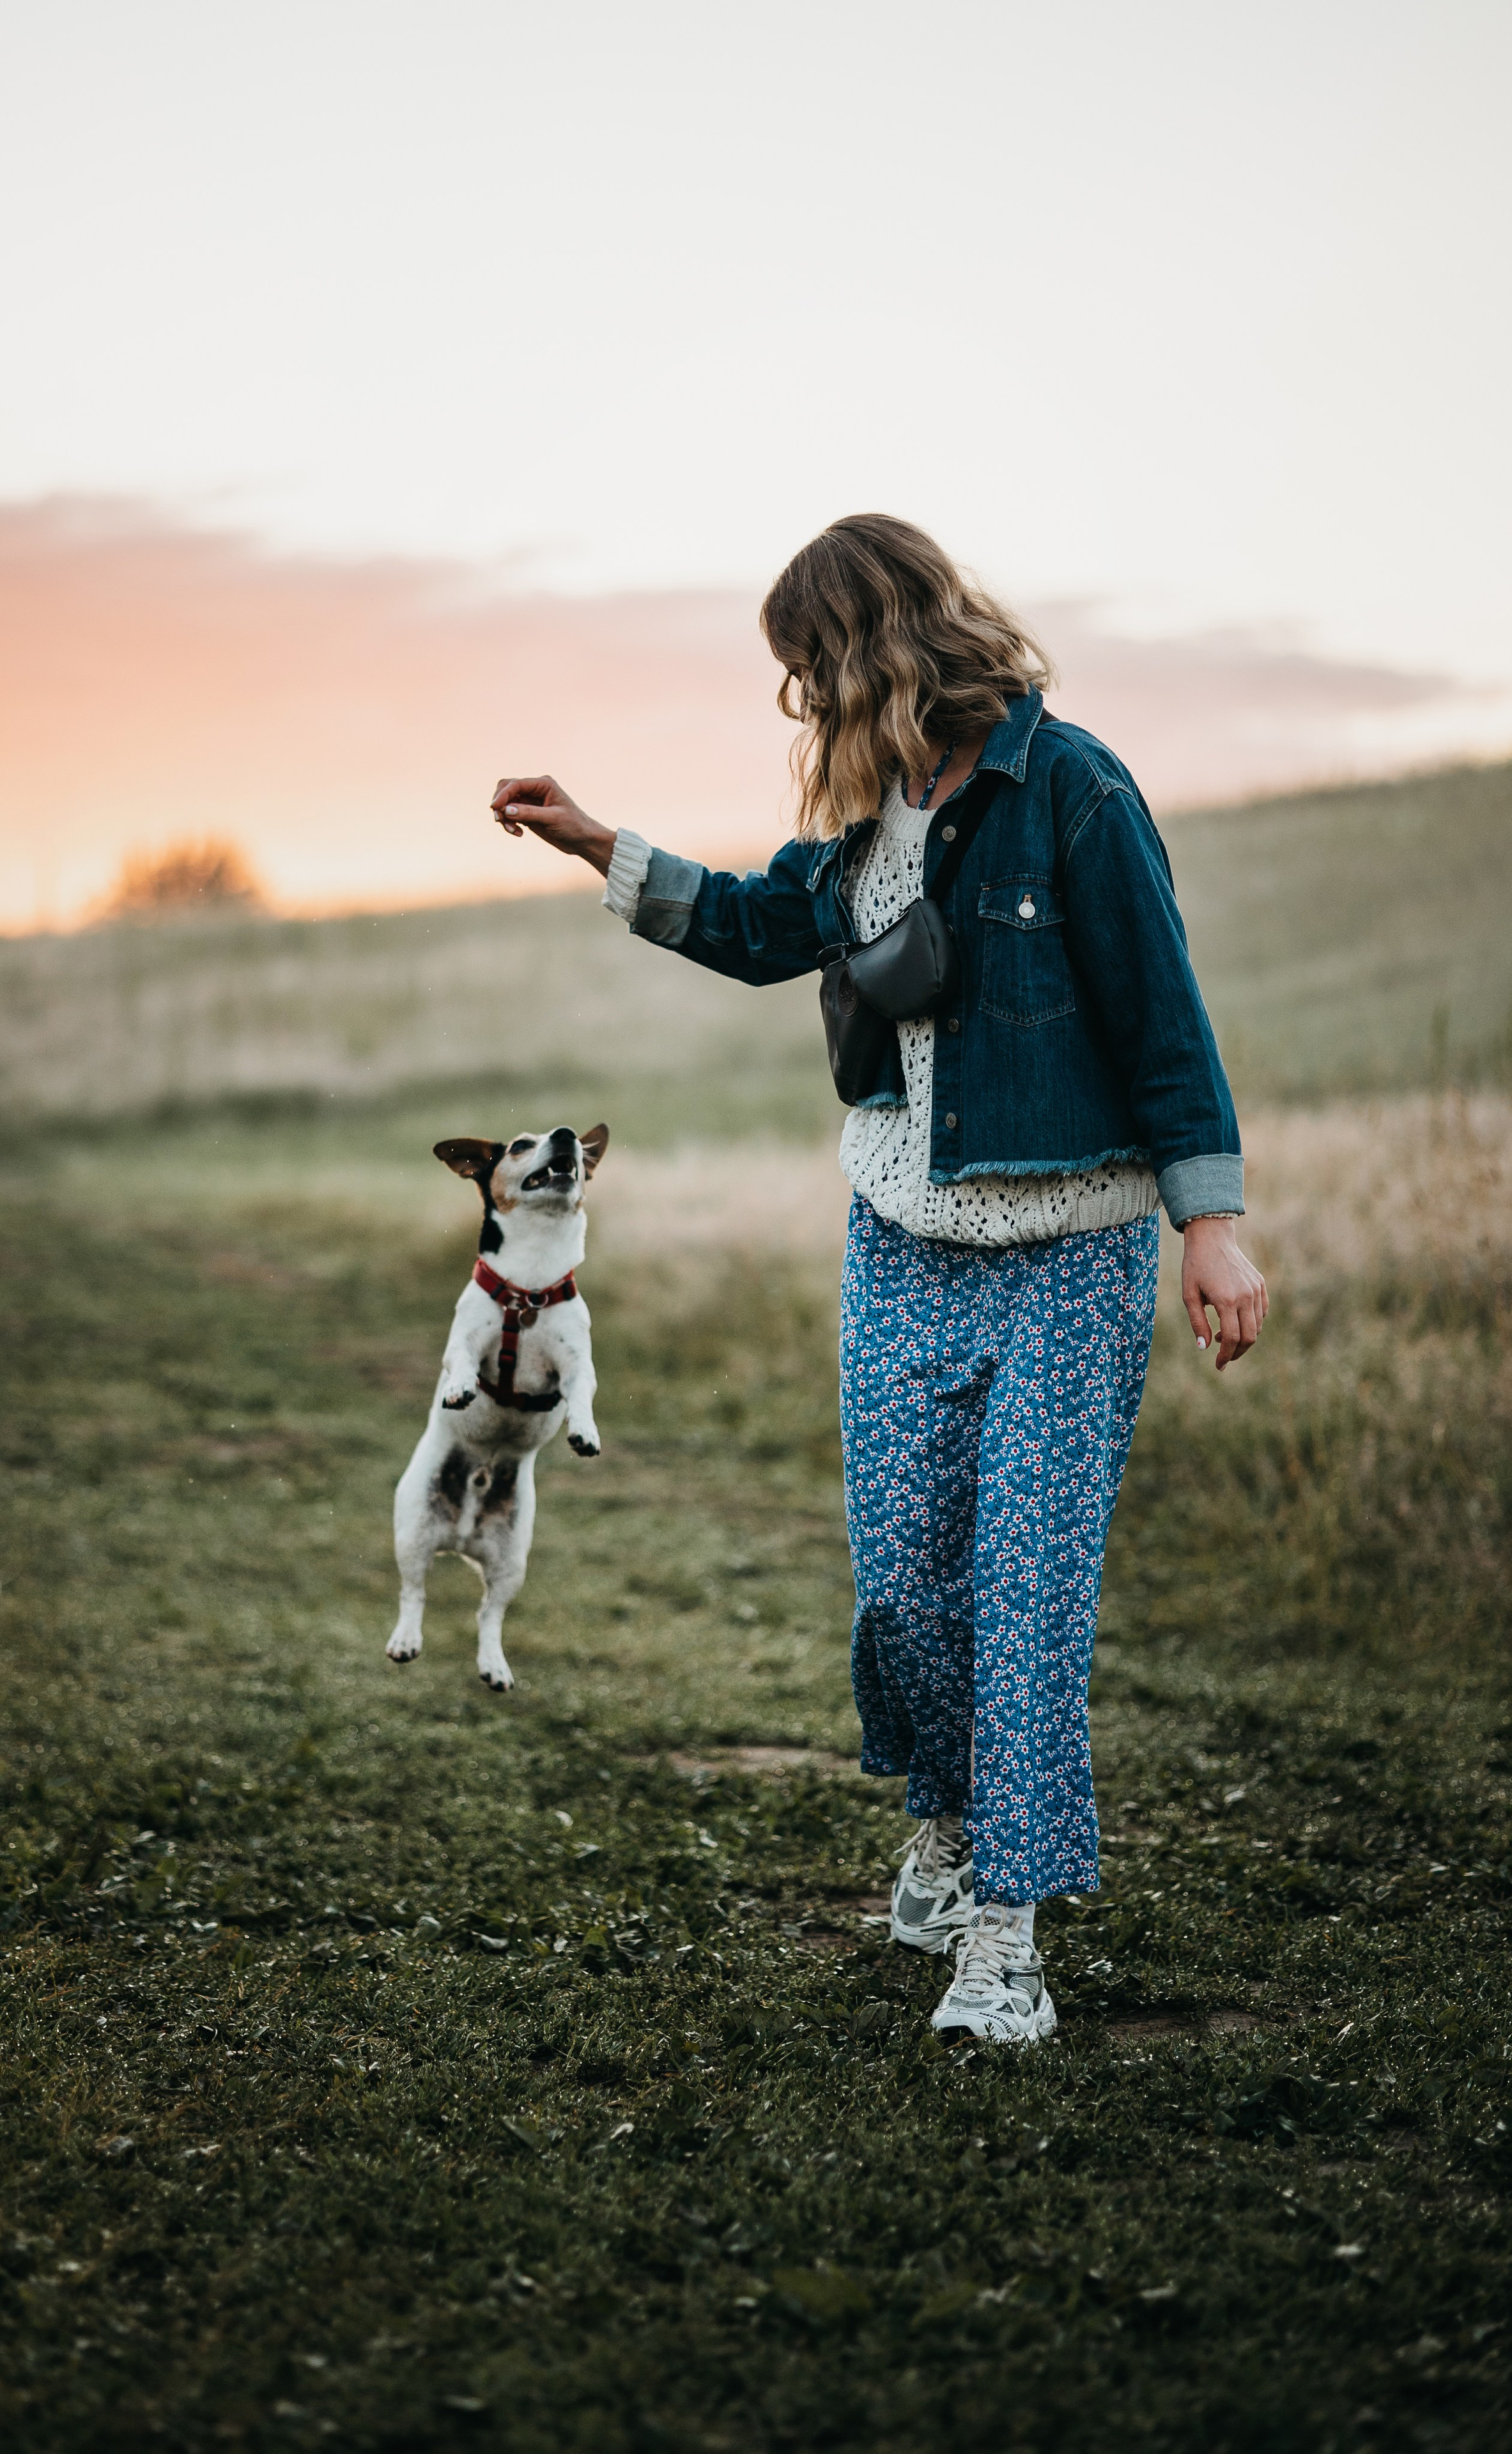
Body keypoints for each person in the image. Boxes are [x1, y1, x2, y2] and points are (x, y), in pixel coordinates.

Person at [489, 513, 1267, 2047]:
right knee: (903, 1591)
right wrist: (600, 844)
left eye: (810, 674)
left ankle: (1004, 1930)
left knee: (1025, 1596)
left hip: (1069, 1253)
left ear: (873, 651)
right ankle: (947, 1816)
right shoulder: (867, 819)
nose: (802, 709)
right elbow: (761, 926)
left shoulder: (1074, 793)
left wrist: (1208, 1223)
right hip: (899, 1249)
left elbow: (1163, 1021)